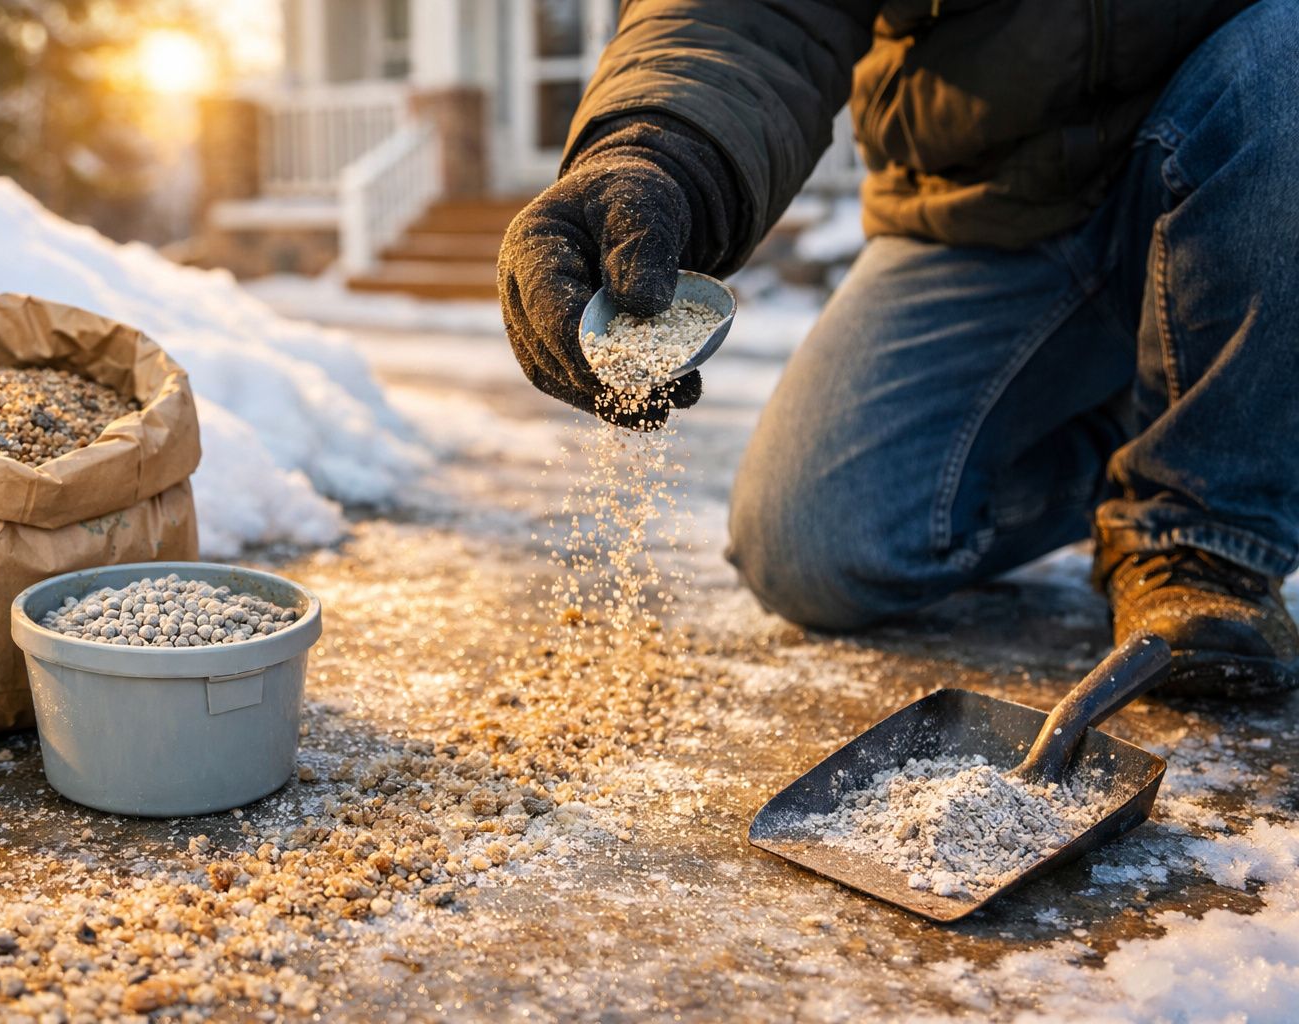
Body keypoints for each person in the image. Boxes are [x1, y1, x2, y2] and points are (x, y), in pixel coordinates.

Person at [497, 0, 1299, 696]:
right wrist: (655, 147)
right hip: (992, 200)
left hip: (1249, 166)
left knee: (1286, 50)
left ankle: (1203, 535)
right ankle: (1179, 418)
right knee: (812, 546)